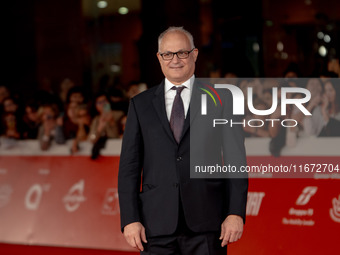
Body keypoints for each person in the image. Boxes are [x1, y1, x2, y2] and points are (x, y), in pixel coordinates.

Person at [118, 26, 248, 255]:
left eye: (182, 53)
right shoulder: (140, 105)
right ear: (159, 58)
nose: (175, 60)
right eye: (168, 54)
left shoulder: (222, 99)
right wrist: (130, 219)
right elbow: (129, 167)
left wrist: (235, 213)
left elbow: (235, 159)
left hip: (208, 223)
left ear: (195, 54)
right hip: (155, 225)